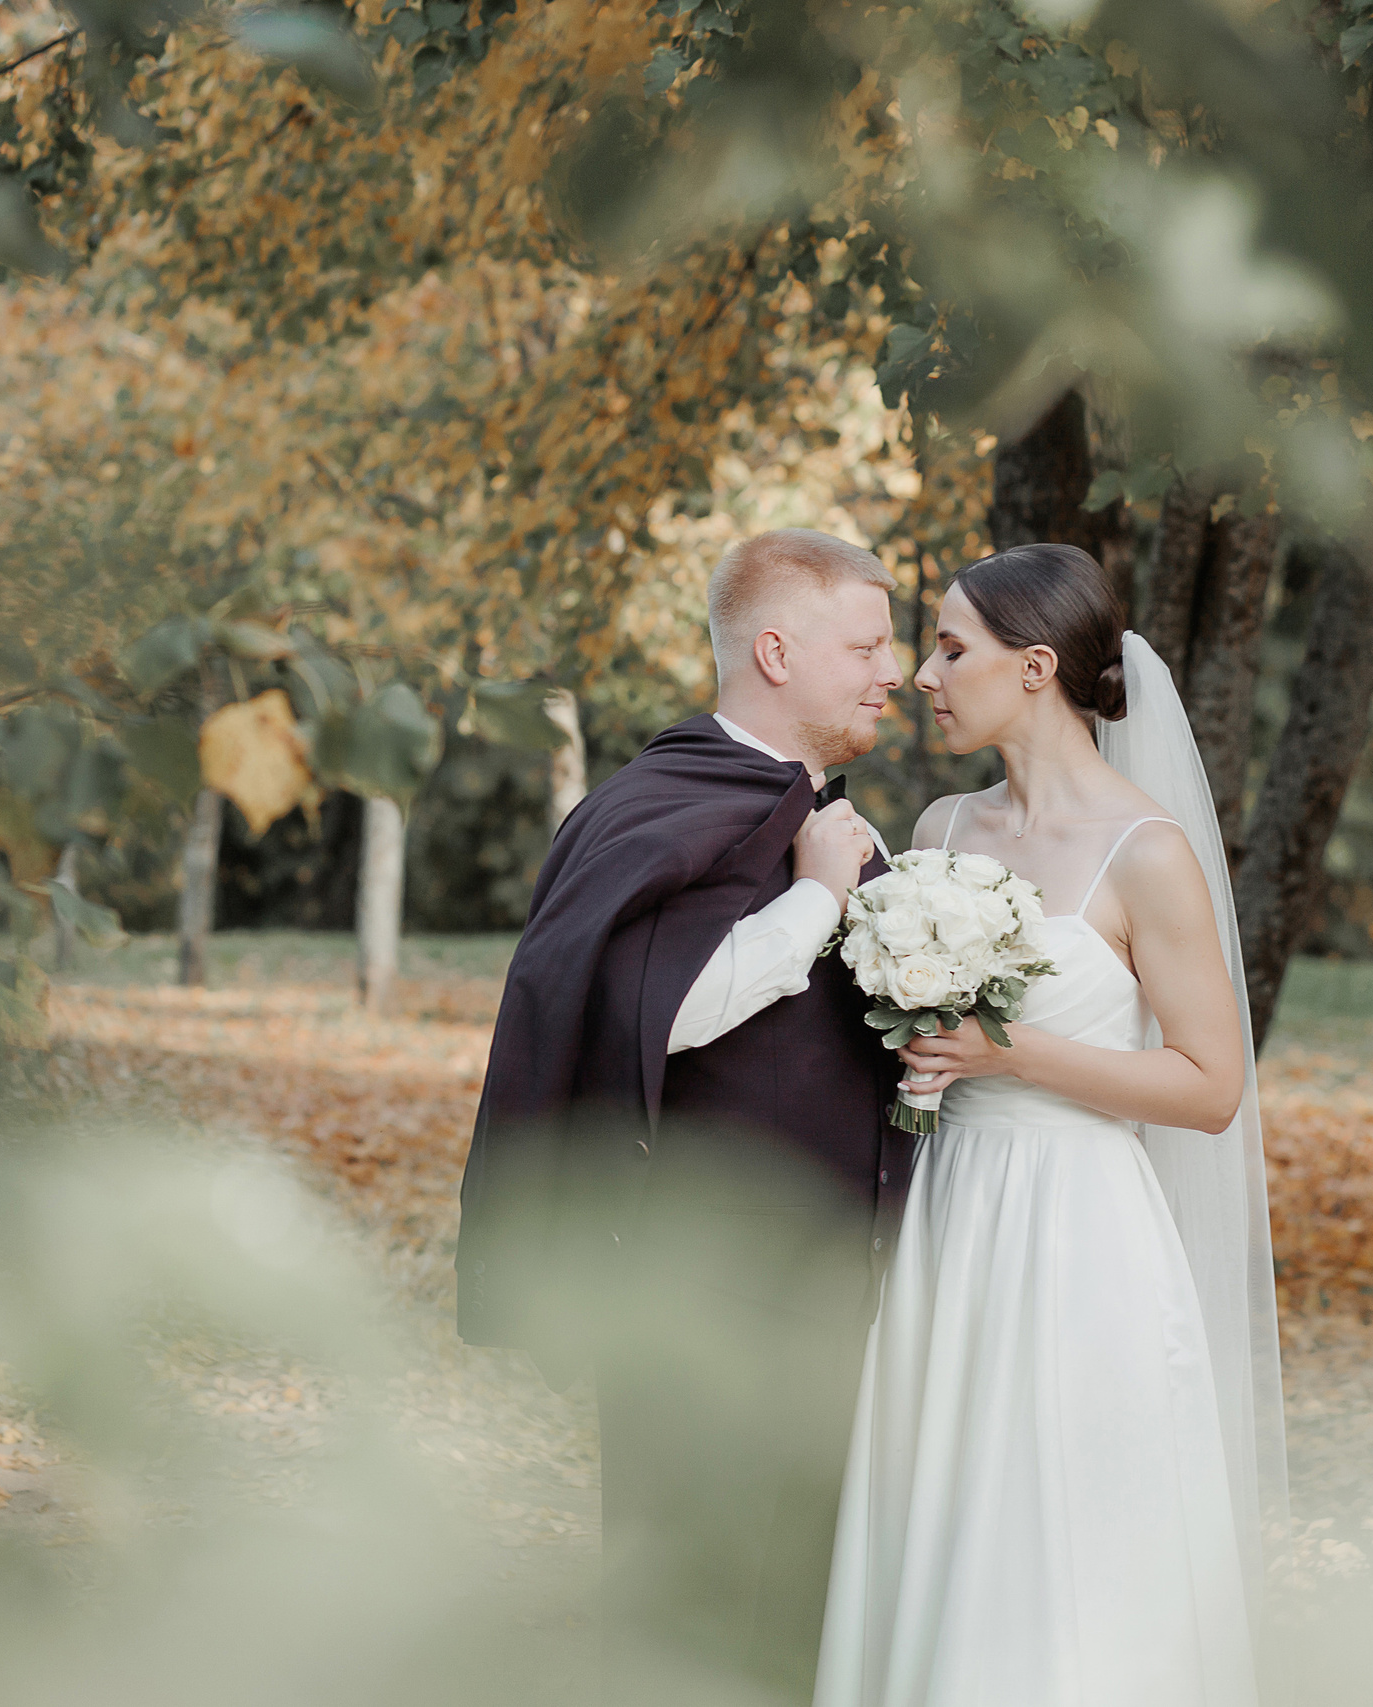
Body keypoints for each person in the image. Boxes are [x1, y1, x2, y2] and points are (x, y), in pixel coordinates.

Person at [812, 542, 1286, 1707]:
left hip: (1077, 1234)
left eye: (949, 649)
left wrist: (1006, 1051)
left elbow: (1209, 1087)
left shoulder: (1147, 853)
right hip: (946, 1215)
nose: (923, 676)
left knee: (1060, 1529)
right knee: (940, 1507)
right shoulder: (941, 830)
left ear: (1034, 668)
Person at [455, 528, 909, 1699]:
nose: (893, 670)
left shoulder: (814, 812)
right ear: (775, 652)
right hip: (707, 1290)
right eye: (866, 646)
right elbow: (655, 1011)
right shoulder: (670, 801)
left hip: (824, 1293)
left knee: (798, 1616)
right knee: (692, 1617)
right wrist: (817, 897)